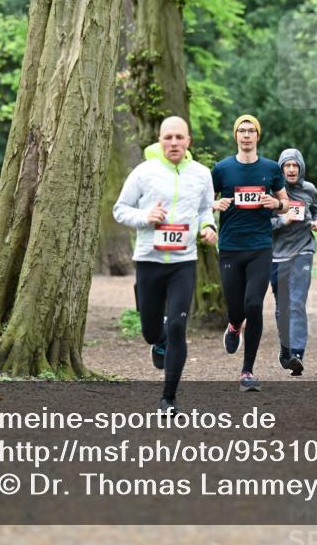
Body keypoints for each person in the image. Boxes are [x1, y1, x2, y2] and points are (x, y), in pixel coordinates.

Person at [113, 116, 216, 415]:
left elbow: (205, 209)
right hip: (149, 259)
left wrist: (209, 227)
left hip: (184, 261)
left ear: (188, 141)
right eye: (167, 137)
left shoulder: (201, 174)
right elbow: (120, 209)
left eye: (179, 138)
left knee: (177, 326)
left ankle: (168, 399)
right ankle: (157, 342)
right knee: (150, 330)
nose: (173, 143)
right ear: (159, 141)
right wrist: (145, 217)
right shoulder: (143, 172)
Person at [212, 115, 290, 391]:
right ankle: (234, 326)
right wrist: (215, 204)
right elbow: (203, 202)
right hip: (231, 247)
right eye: (241, 131)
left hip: (260, 246)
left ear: (258, 136)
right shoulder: (222, 169)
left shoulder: (270, 168)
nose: (246, 135)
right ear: (236, 136)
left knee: (254, 304)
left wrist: (275, 204)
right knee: (236, 307)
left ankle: (247, 371)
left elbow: (286, 204)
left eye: (251, 131)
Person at [270, 148, 317, 376]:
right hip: (278, 254)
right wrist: (283, 220)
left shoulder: (309, 189)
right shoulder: (271, 192)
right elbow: (264, 224)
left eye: (295, 166)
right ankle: (286, 350)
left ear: (300, 167)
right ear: (281, 168)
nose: (291, 170)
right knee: (283, 307)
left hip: (304, 250)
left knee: (297, 302)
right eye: (287, 166)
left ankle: (297, 354)